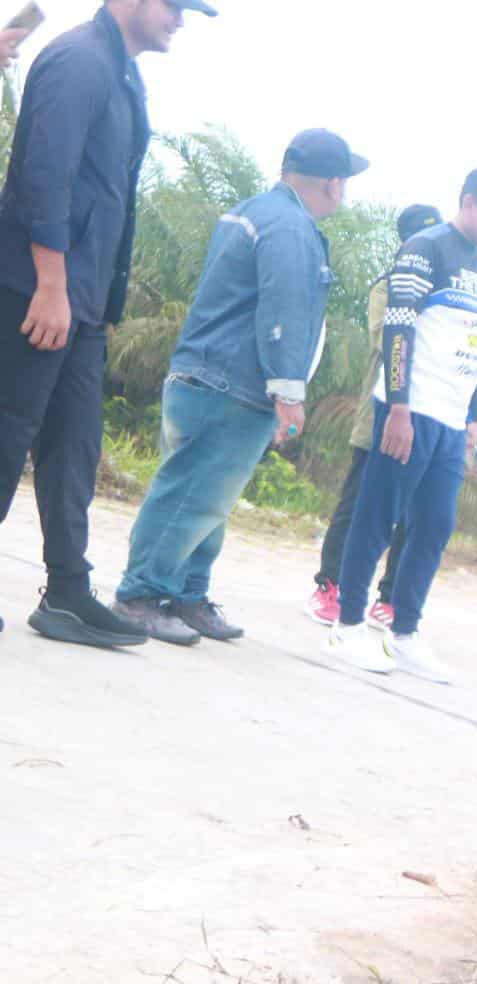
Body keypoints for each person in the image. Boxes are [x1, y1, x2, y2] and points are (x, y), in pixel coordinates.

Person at [0, 0, 215, 644]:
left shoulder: (119, 70)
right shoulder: (78, 61)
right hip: (36, 290)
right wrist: (52, 287)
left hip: (81, 301)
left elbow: (106, 196)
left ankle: (67, 591)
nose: (182, 18)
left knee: (74, 448)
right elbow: (44, 180)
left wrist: (95, 303)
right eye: (174, 5)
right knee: (7, 435)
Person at [111, 130, 365, 642]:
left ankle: (185, 595)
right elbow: (284, 311)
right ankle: (139, 596)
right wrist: (289, 394)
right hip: (231, 385)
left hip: (204, 375)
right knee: (192, 496)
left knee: (208, 498)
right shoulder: (291, 228)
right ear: (334, 185)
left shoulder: (255, 211)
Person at [325, 166, 477, 683]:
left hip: (450, 421)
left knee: (433, 526)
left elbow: (472, 342)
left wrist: (472, 418)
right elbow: (398, 327)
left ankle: (405, 632)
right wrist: (399, 406)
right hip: (410, 408)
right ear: (470, 202)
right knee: (376, 517)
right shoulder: (425, 247)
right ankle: (347, 626)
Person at [306, 203, 443, 627]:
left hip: (433, 418)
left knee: (413, 514)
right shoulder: (388, 287)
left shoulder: (454, 296)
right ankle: (330, 585)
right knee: (358, 505)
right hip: (381, 416)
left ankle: (390, 599)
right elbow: (388, 339)